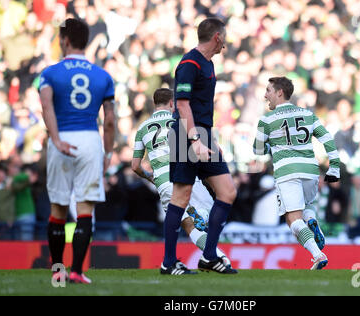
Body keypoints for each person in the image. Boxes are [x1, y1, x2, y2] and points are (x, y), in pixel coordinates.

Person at [38, 18, 115, 284]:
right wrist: (108, 153)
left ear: (65, 40)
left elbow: (47, 107)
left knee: (58, 209)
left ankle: (58, 273)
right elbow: (110, 120)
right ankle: (77, 271)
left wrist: (56, 139)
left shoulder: (49, 73)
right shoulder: (103, 76)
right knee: (85, 210)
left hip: (62, 138)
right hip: (90, 139)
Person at [164, 17, 238, 275]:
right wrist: (195, 140)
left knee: (227, 191)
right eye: (224, 37)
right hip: (186, 135)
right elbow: (182, 104)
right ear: (217, 37)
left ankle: (208, 256)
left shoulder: (208, 64)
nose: (225, 42)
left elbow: (199, 107)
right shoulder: (189, 63)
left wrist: (209, 138)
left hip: (203, 134)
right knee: (181, 196)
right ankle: (169, 262)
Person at [131, 88, 233, 274]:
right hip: (187, 174)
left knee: (188, 224)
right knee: (206, 217)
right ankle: (216, 255)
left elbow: (135, 166)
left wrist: (150, 178)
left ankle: (216, 255)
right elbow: (215, 149)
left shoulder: (142, 127)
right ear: (172, 103)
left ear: (155, 103)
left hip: (164, 180)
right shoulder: (183, 121)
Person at [253, 76, 340, 270]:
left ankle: (317, 255)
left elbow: (258, 151)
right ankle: (312, 221)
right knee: (307, 207)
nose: (265, 95)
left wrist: (271, 146)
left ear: (279, 92)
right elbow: (327, 137)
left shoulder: (267, 119)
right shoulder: (307, 114)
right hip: (310, 170)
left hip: (287, 172)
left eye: (268, 90)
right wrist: (334, 165)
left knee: (293, 219)